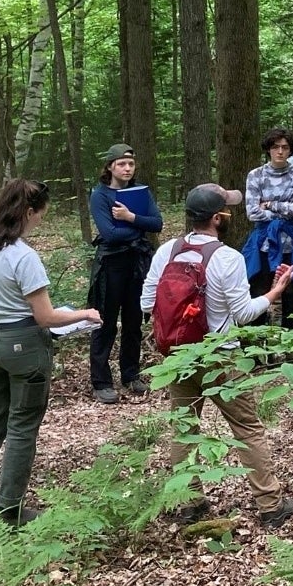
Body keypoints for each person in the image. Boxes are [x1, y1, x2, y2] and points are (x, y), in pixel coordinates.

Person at [141, 183, 293, 528]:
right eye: (227, 209)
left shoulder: (167, 251)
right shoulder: (227, 257)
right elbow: (243, 314)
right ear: (217, 218)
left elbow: (146, 303)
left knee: (185, 427)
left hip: (179, 357)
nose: (230, 214)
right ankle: (270, 505)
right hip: (221, 357)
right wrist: (275, 291)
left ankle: (190, 502)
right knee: (247, 428)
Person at [0, 180, 103, 527]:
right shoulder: (23, 257)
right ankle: (10, 508)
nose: (40, 220)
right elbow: (46, 316)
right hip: (23, 344)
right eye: (40, 215)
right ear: (27, 213)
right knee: (22, 426)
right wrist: (84, 314)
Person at [88, 143, 163, 405]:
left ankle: (131, 374)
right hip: (111, 264)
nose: (127, 168)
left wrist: (130, 217)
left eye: (131, 164)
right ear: (110, 166)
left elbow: (157, 223)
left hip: (137, 262)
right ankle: (101, 381)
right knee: (105, 322)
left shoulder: (140, 193)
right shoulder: (100, 195)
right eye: (122, 163)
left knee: (133, 321)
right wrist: (139, 228)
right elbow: (109, 234)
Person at [242, 127, 293, 329]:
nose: (280, 152)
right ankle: (255, 350)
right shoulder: (256, 176)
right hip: (263, 242)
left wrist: (270, 205)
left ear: (290, 150)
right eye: (275, 147)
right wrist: (284, 209)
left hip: (291, 243)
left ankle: (292, 347)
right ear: (268, 149)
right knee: (258, 292)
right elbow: (252, 212)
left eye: (284, 147)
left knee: (292, 294)